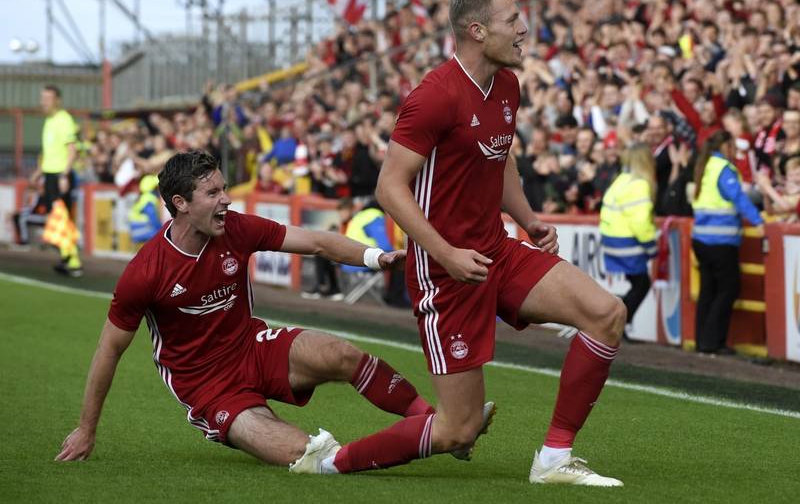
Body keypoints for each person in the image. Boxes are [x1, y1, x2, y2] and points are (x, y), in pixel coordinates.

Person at [57, 150, 491, 474]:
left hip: (252, 347)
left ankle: (438, 426)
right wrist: (86, 429)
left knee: (340, 354)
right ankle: (405, 444)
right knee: (309, 456)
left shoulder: (236, 228)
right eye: (213, 193)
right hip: (207, 388)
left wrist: (375, 257)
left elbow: (316, 242)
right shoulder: (146, 271)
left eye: (224, 188)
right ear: (180, 202)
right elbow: (109, 350)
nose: (226, 200)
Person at [376, 0, 626, 487]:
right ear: (477, 30)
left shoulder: (508, 84)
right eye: (512, 20)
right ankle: (332, 462)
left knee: (606, 313)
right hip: (445, 270)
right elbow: (389, 188)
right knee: (457, 429)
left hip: (496, 250)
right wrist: (446, 253)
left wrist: (529, 219)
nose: (524, 28)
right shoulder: (434, 96)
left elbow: (501, 159)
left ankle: (554, 458)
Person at [691, 130, 764, 355]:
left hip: (701, 238)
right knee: (728, 289)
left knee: (708, 291)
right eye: (733, 146)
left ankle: (702, 341)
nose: (735, 150)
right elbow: (738, 198)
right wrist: (758, 221)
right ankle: (713, 341)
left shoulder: (705, 165)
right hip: (720, 240)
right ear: (725, 146)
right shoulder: (723, 168)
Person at [599, 144, 657, 338]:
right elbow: (640, 222)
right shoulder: (639, 184)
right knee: (642, 284)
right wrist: (651, 246)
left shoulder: (621, 180)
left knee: (638, 283)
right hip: (627, 242)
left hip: (612, 239)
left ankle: (617, 320)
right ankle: (618, 322)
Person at [35, 85, 82, 276]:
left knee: (61, 218)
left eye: (48, 98)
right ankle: (66, 258)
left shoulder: (64, 119)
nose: (43, 102)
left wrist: (64, 175)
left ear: (57, 100)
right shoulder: (49, 120)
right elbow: (50, 152)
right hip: (50, 175)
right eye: (42, 98)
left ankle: (74, 261)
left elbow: (72, 150)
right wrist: (39, 172)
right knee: (57, 218)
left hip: (59, 176)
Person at [127, 174, 163, 244]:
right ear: (152, 188)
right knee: (161, 236)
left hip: (136, 230)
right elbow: (153, 218)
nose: (159, 190)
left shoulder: (143, 197)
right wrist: (162, 230)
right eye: (156, 187)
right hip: (140, 230)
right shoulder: (149, 199)